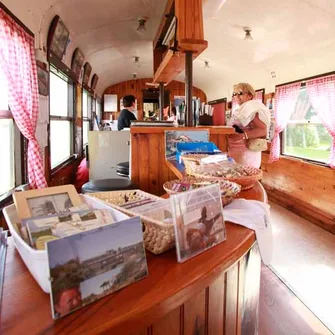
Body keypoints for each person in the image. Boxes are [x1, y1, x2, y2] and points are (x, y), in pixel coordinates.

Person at [228, 83, 271, 168]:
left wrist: (241, 136)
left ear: (250, 95)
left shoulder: (252, 108)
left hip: (247, 152)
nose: (237, 96)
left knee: (244, 177)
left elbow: (262, 130)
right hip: (235, 150)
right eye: (235, 94)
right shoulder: (242, 108)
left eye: (240, 93)